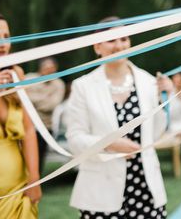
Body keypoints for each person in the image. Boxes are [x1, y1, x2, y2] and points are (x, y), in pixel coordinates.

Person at [66, 17, 174, 219]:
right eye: (112, 40)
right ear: (97, 46)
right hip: (100, 192)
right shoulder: (83, 86)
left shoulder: (148, 82)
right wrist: (109, 143)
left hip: (145, 187)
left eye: (124, 39)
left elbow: (157, 133)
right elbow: (74, 140)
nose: (119, 45)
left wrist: (164, 100)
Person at [0, 12, 41, 218]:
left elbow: (28, 128)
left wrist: (34, 178)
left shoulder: (16, 73)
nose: (3, 43)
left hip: (18, 189)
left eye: (6, 36)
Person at [25, 57, 66, 173]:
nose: (49, 70)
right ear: (40, 68)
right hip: (26, 124)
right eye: (46, 67)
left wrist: (33, 100)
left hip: (44, 128)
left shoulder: (59, 84)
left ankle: (36, 183)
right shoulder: (29, 78)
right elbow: (22, 99)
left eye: (52, 68)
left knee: (38, 158)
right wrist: (43, 99)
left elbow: (50, 105)